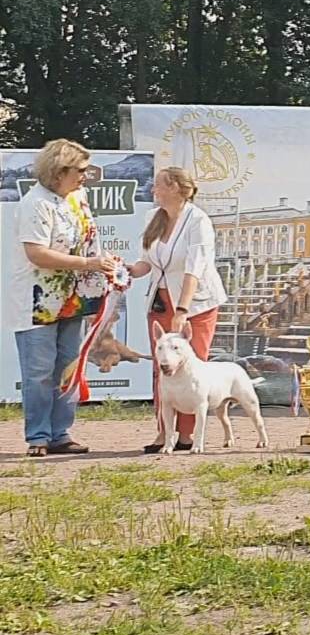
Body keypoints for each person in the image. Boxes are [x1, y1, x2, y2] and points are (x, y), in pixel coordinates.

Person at [4, 140, 119, 457]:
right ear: (58, 171)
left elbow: (88, 241)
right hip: (38, 301)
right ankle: (38, 435)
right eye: (80, 170)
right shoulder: (35, 203)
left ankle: (61, 433)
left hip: (75, 297)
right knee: (40, 371)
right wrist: (88, 263)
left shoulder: (78, 198)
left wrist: (105, 264)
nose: (85, 176)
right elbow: (37, 254)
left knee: (69, 366)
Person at [127, 167, 228, 453]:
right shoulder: (153, 218)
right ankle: (164, 433)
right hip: (160, 301)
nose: (153, 190)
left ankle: (187, 435)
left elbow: (194, 269)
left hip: (194, 303)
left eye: (158, 185)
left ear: (175, 188)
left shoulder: (198, 221)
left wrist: (182, 309)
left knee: (191, 367)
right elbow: (146, 262)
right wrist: (126, 271)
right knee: (162, 366)